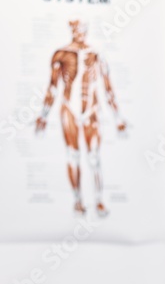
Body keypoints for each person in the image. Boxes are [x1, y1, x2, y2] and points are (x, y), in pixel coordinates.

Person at [35, 20, 127, 217]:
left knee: (94, 157)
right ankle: (77, 200)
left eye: (83, 29)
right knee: (73, 155)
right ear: (71, 30)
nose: (80, 32)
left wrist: (118, 118)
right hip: (69, 109)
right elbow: (52, 86)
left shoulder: (97, 54)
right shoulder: (61, 54)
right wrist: (43, 115)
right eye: (76, 29)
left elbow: (108, 87)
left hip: (91, 109)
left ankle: (99, 200)